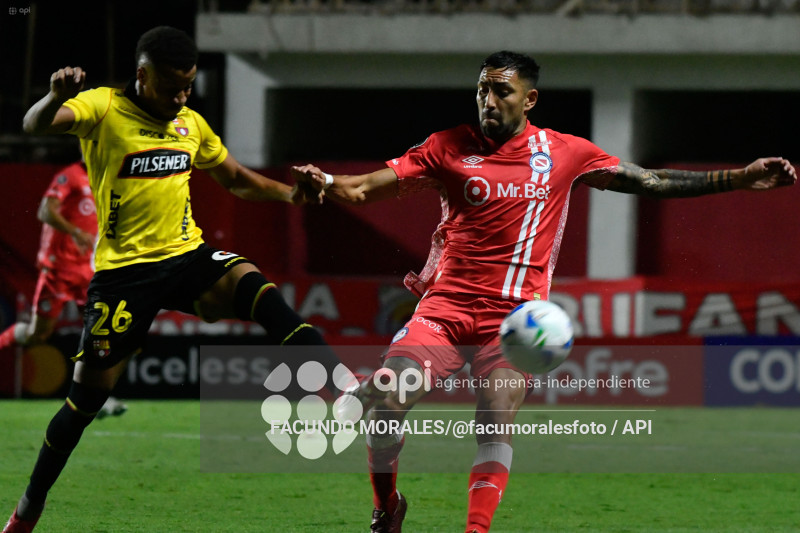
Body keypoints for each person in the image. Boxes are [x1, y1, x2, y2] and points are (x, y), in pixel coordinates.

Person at [292, 50, 797, 533]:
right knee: (387, 401)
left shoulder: (564, 153)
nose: (489, 100)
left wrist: (737, 178)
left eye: (501, 91)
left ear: (529, 99)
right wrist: (326, 181)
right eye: (482, 90)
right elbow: (363, 187)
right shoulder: (447, 146)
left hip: (516, 323)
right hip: (444, 310)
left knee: (495, 420)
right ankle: (387, 506)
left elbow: (651, 181)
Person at [3, 26, 348, 533]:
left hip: (187, 257)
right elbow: (34, 124)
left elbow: (235, 178)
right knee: (82, 406)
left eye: (188, 86)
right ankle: (27, 509)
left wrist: (290, 195)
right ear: (142, 76)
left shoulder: (190, 123)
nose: (182, 97)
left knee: (258, 289)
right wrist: (55, 95)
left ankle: (348, 392)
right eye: (172, 87)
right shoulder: (102, 107)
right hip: (123, 277)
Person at [0, 159, 127, 418]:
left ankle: (95, 397)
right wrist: (75, 231)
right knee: (38, 334)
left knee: (99, 334)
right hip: (58, 269)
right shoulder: (70, 175)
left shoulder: (106, 178)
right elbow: (44, 212)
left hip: (88, 270)